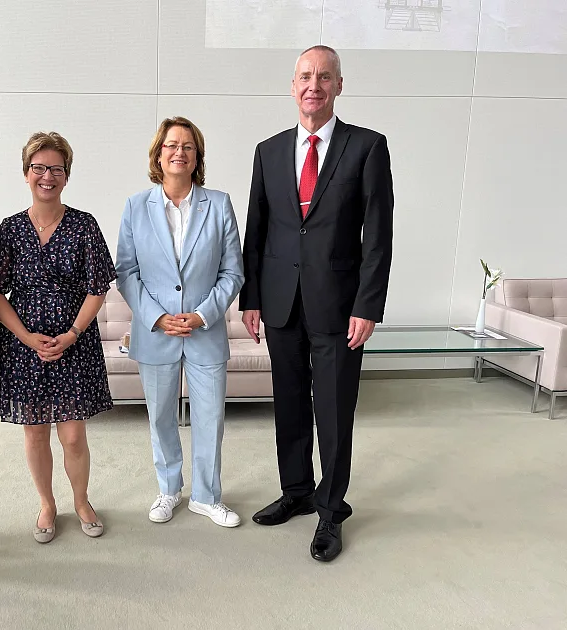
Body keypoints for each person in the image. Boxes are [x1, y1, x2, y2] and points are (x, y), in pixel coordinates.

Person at [240, 45, 394, 562]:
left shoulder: (368, 147)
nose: (314, 85)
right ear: (293, 86)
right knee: (288, 405)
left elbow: (378, 235)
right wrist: (252, 297)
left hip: (339, 306)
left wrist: (368, 305)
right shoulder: (268, 150)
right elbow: (256, 231)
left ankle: (331, 510)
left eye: (324, 77)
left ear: (339, 86)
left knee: (332, 412)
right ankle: (298, 491)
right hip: (280, 304)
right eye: (305, 76)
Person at [0, 132, 116, 544]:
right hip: (24, 348)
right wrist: (26, 337)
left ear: (66, 175)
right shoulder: (10, 230)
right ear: (26, 174)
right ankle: (47, 503)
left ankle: (81, 500)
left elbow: (98, 288)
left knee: (72, 434)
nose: (47, 175)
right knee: (35, 431)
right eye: (38, 167)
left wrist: (72, 333)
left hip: (73, 345)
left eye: (56, 168)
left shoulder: (84, 225)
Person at [116, 117, 244, 528]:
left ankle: (207, 496)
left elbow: (233, 272)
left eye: (188, 146)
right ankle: (169, 489)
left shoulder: (219, 204)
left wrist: (204, 313)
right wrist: (156, 317)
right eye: (171, 145)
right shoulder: (137, 206)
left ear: (197, 157)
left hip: (205, 331)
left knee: (211, 418)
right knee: (160, 417)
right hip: (157, 333)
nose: (179, 152)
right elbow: (126, 271)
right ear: (158, 154)